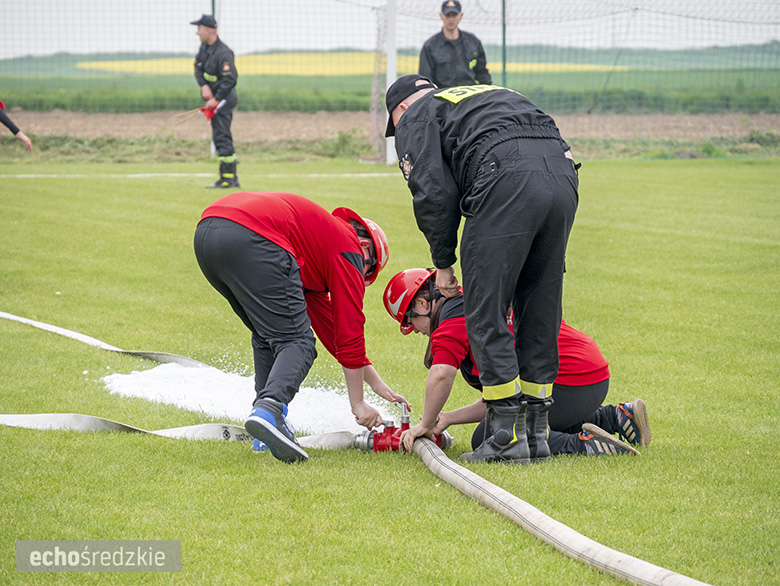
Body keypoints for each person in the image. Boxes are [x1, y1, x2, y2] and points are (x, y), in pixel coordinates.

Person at [385, 74, 580, 464]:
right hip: (563, 174)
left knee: (484, 307)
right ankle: (536, 433)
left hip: (504, 178)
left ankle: (506, 437)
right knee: (539, 305)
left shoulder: (415, 115)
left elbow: (432, 192)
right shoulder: (486, 94)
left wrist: (443, 263)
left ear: (400, 109)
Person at [194, 192, 409, 464]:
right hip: (254, 236)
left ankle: (265, 425)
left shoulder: (318, 251)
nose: (360, 274)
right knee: (298, 343)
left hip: (208, 232)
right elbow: (349, 330)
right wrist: (358, 403)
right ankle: (270, 410)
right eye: (366, 270)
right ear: (365, 247)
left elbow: (335, 336)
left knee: (267, 335)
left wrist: (377, 385)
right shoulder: (349, 248)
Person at [383, 269, 650, 461]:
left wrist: (425, 424)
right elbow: (502, 402)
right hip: (587, 375)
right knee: (503, 422)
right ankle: (615, 416)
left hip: (571, 381)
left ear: (421, 303)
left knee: (496, 438)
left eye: (410, 321)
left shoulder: (451, 324)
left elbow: (441, 374)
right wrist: (448, 419)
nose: (416, 331)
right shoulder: (480, 299)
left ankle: (587, 447)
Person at [191, 14, 239, 189]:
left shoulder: (223, 53)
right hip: (214, 98)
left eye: (199, 29)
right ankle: (228, 177)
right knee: (219, 135)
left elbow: (230, 80)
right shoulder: (204, 48)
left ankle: (228, 178)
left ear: (208, 30)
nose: (197, 33)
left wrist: (216, 99)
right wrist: (203, 86)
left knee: (222, 135)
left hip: (224, 99)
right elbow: (197, 68)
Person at [419, 0, 492, 88]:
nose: (451, 19)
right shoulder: (430, 46)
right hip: (442, 97)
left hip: (469, 96)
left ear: (461, 16)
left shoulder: (473, 42)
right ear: (441, 16)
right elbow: (426, 79)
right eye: (447, 15)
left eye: (454, 15)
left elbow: (482, 73)